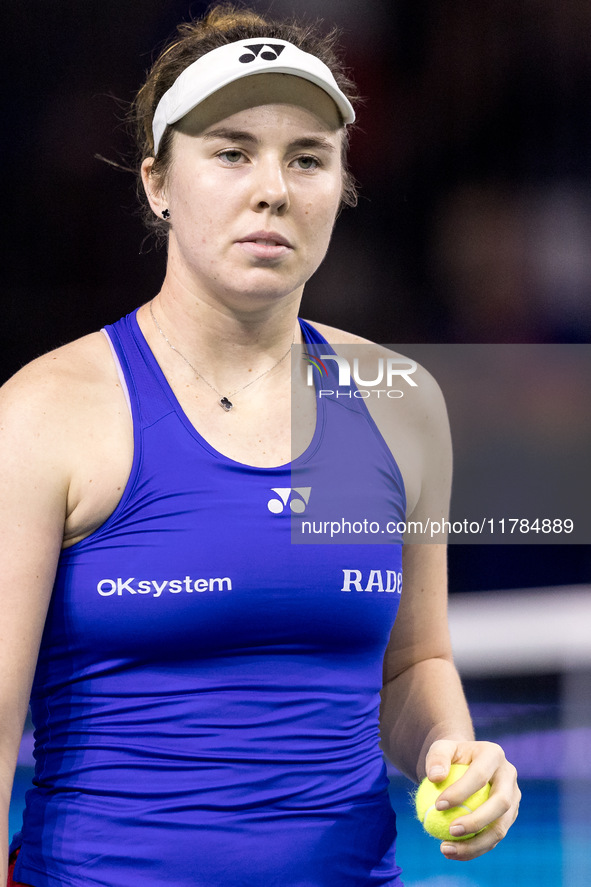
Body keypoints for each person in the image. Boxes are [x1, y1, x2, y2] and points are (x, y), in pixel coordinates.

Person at [0, 5, 520, 886]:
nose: (272, 187)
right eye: (232, 151)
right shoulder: (47, 411)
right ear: (158, 182)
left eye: (307, 157)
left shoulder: (402, 402)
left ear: (340, 188)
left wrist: (455, 750)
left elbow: (413, 662)